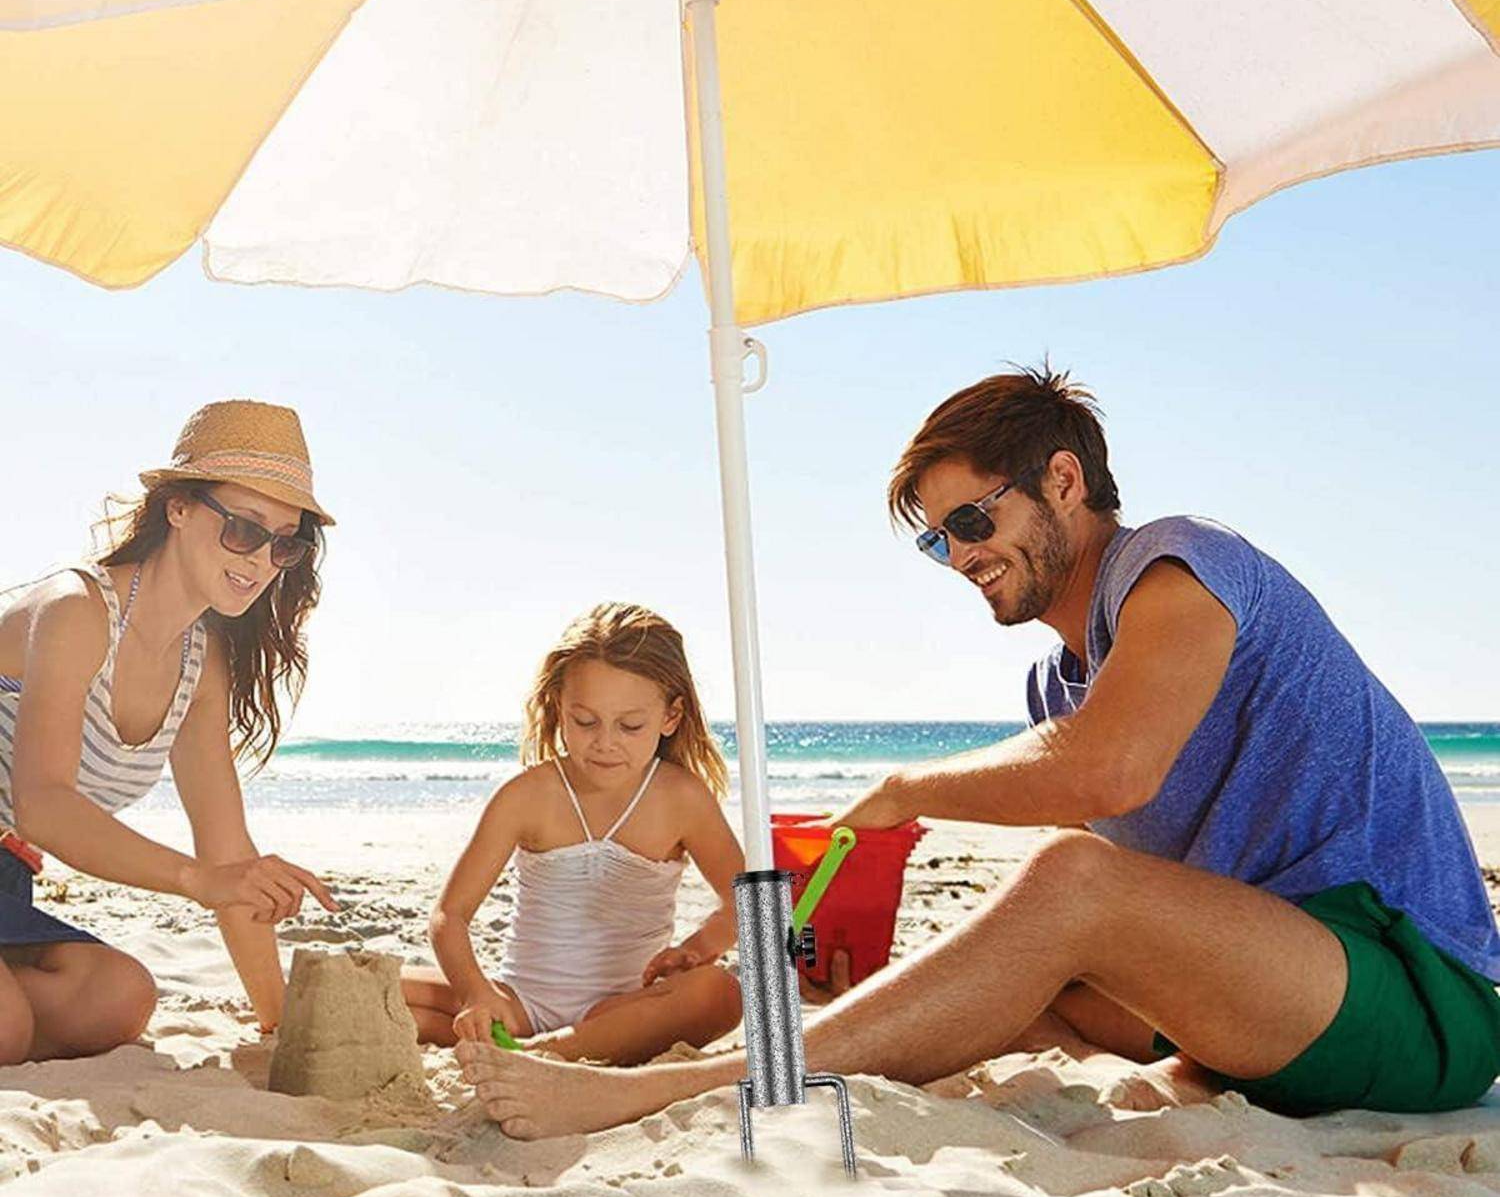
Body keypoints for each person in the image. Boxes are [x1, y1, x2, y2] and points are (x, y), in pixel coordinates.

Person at [452, 365, 1500, 1138]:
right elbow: (1152, 889)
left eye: (969, 519)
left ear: (1061, 480)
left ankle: (672, 1090)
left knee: (1070, 880)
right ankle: (793, 1058)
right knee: (1007, 981)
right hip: (1276, 1010)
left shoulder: (1182, 566)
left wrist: (910, 790)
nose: (957, 556)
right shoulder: (1060, 683)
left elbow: (1108, 773)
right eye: (936, 539)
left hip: (1420, 996)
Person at [0, 400, 339, 1067]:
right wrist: (194, 879)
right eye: (242, 528)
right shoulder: (76, 610)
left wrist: (279, 1026)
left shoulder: (200, 659)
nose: (263, 560)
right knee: (7, 1025)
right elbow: (44, 802)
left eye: (285, 542)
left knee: (121, 998)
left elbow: (227, 847)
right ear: (177, 509)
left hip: (9, 873)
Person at [402, 602, 744, 1065]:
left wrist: (698, 948)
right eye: (585, 721)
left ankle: (547, 1051)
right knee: (373, 983)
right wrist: (477, 993)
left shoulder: (681, 798)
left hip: (626, 1007)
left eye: (630, 725)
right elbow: (451, 915)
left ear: (670, 716)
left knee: (721, 993)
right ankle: (525, 1042)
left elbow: (747, 902)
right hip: (519, 1003)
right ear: (558, 706)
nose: (605, 741)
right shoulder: (527, 795)